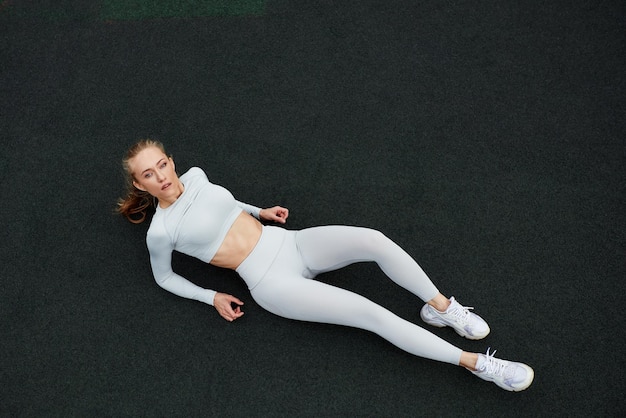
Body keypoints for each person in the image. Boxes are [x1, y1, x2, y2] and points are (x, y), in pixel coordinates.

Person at [117, 139, 534, 392]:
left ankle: (440, 308)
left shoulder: (197, 175)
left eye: (163, 165)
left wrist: (259, 211)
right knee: (372, 314)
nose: (162, 177)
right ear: (140, 184)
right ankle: (478, 365)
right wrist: (212, 297)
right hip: (270, 281)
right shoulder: (161, 230)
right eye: (149, 175)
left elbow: (225, 204)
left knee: (374, 239)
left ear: (172, 161)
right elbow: (165, 277)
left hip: (291, 243)